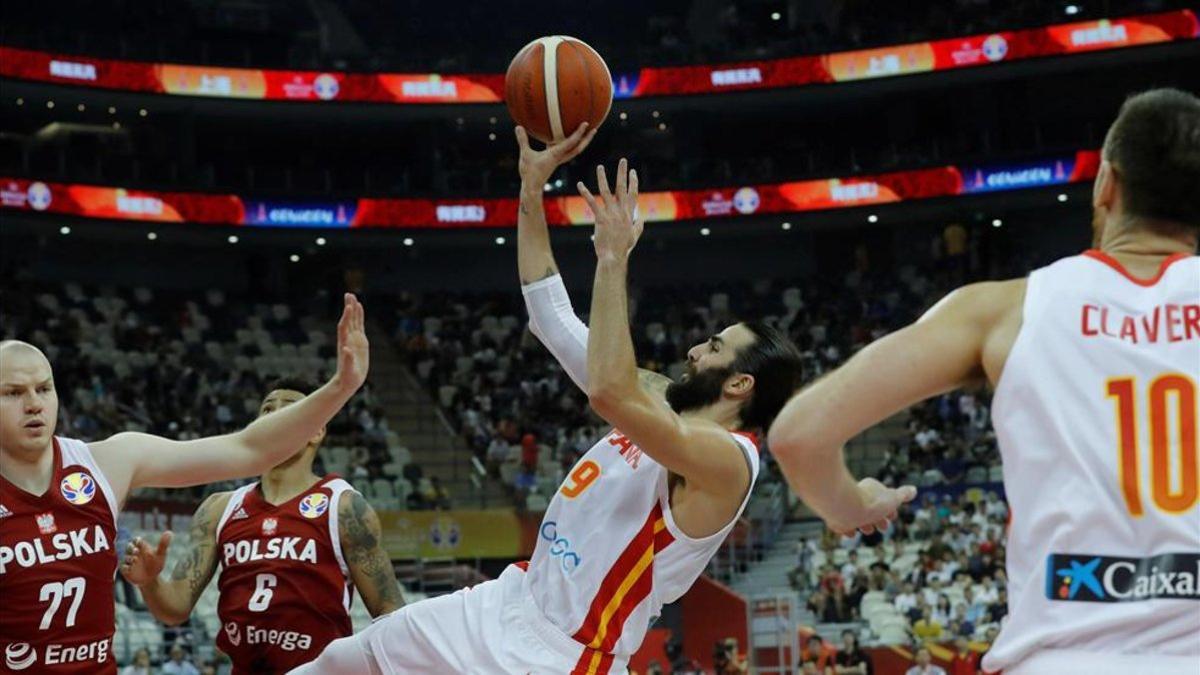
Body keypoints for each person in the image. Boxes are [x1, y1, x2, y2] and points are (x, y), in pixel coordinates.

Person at [294, 132, 804, 674]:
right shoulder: (657, 398)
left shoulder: (731, 462)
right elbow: (551, 319)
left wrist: (611, 258)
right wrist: (530, 190)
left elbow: (610, 391)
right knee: (342, 661)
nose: (696, 349)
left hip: (565, 653)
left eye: (715, 348)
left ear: (739, 385)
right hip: (507, 602)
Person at [769, 88, 1200, 675]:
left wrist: (847, 506)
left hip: (1062, 658)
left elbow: (798, 434)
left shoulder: (1004, 310)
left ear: (1106, 184)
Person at [0, 294, 369, 674]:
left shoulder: (107, 462)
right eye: (13, 393)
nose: (34, 404)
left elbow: (248, 449)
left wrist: (340, 387)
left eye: (43, 389)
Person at [119, 376, 405, 674]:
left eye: (291, 409)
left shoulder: (344, 506)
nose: (275, 416)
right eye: (267, 410)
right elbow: (174, 609)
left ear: (316, 430)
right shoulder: (219, 508)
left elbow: (390, 615)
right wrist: (149, 581)